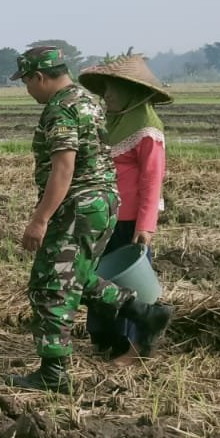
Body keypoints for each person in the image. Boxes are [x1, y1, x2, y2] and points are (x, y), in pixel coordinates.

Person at [9, 46, 171, 392]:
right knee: (78, 276)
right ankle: (143, 312)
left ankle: (54, 373)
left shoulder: (61, 109)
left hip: (77, 207)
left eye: (26, 82)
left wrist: (40, 220)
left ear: (39, 77)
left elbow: (63, 169)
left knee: (50, 284)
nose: (27, 90)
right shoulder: (88, 101)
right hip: (103, 203)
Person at [79, 54, 172, 363]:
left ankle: (136, 349)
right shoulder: (112, 121)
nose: (106, 96)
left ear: (131, 92)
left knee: (130, 284)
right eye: (104, 89)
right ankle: (107, 339)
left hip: (130, 220)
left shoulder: (148, 129)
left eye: (112, 90)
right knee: (103, 279)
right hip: (106, 215)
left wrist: (145, 227)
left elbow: (151, 181)